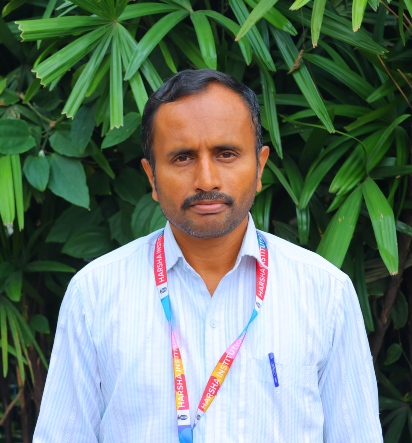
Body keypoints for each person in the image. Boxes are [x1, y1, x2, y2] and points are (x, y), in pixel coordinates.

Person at [33, 69, 383, 442]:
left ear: (260, 167)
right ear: (151, 177)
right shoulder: (95, 294)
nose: (206, 180)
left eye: (226, 154)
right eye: (182, 157)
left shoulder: (325, 293)